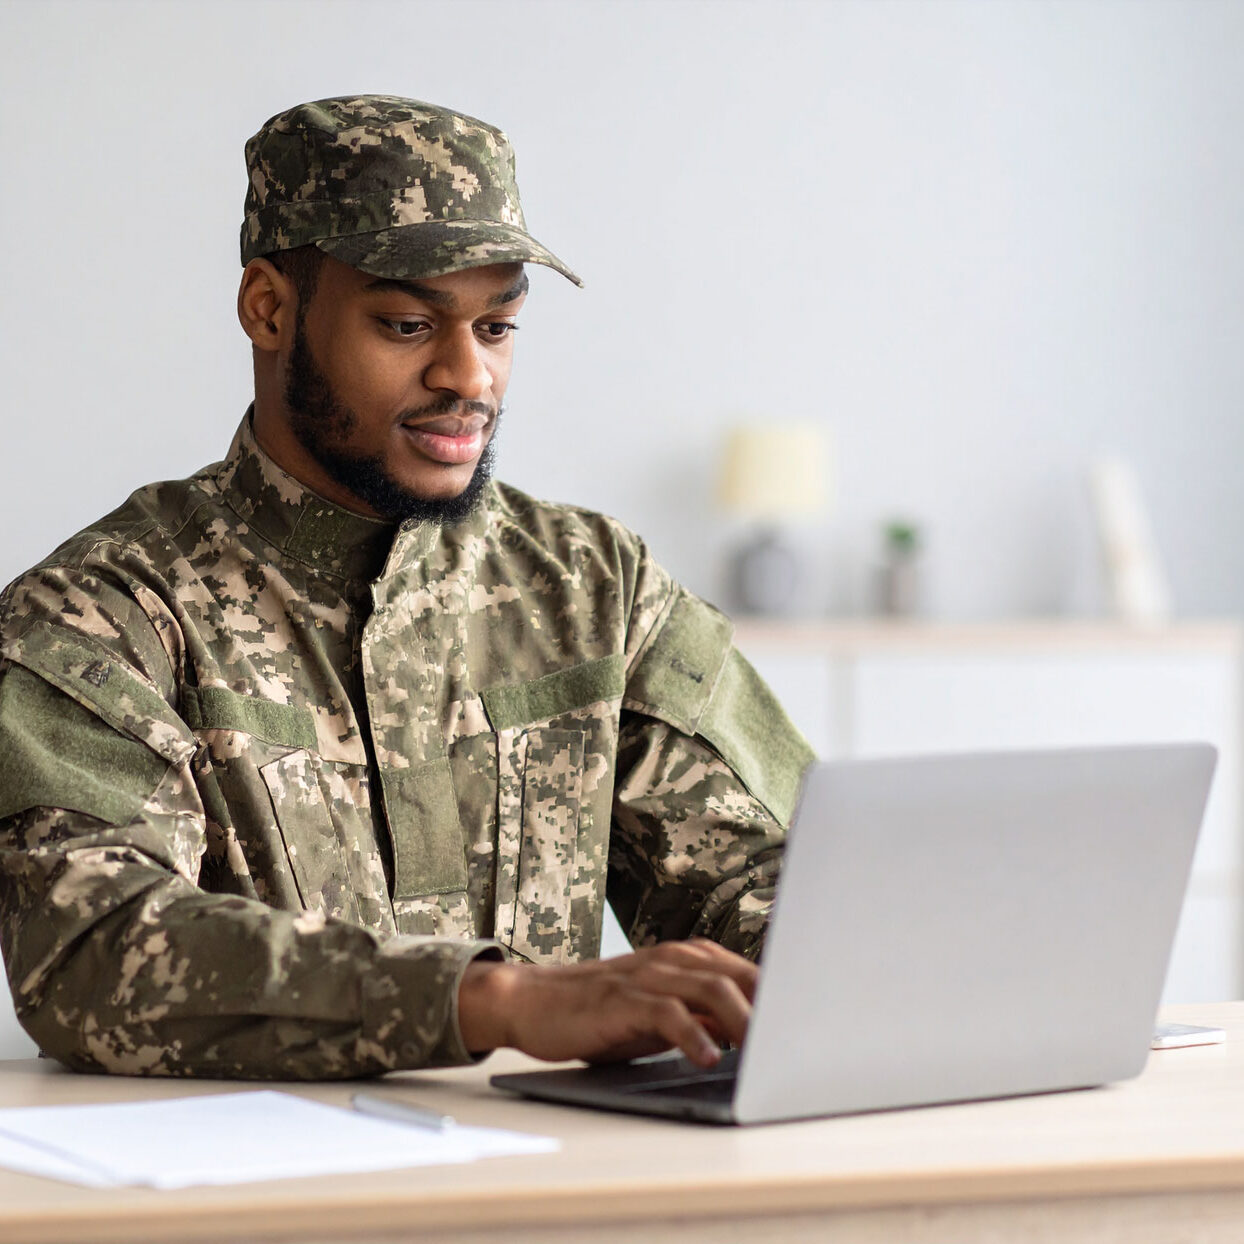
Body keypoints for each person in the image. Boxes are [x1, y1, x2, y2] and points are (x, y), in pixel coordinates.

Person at [0, 95, 814, 1079]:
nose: (467, 374)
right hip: (256, 1206)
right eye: (404, 322)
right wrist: (493, 1001)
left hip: (564, 1185)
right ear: (269, 308)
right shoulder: (101, 612)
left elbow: (770, 880)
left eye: (498, 324)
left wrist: (843, 969)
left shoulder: (597, 585)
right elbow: (89, 956)